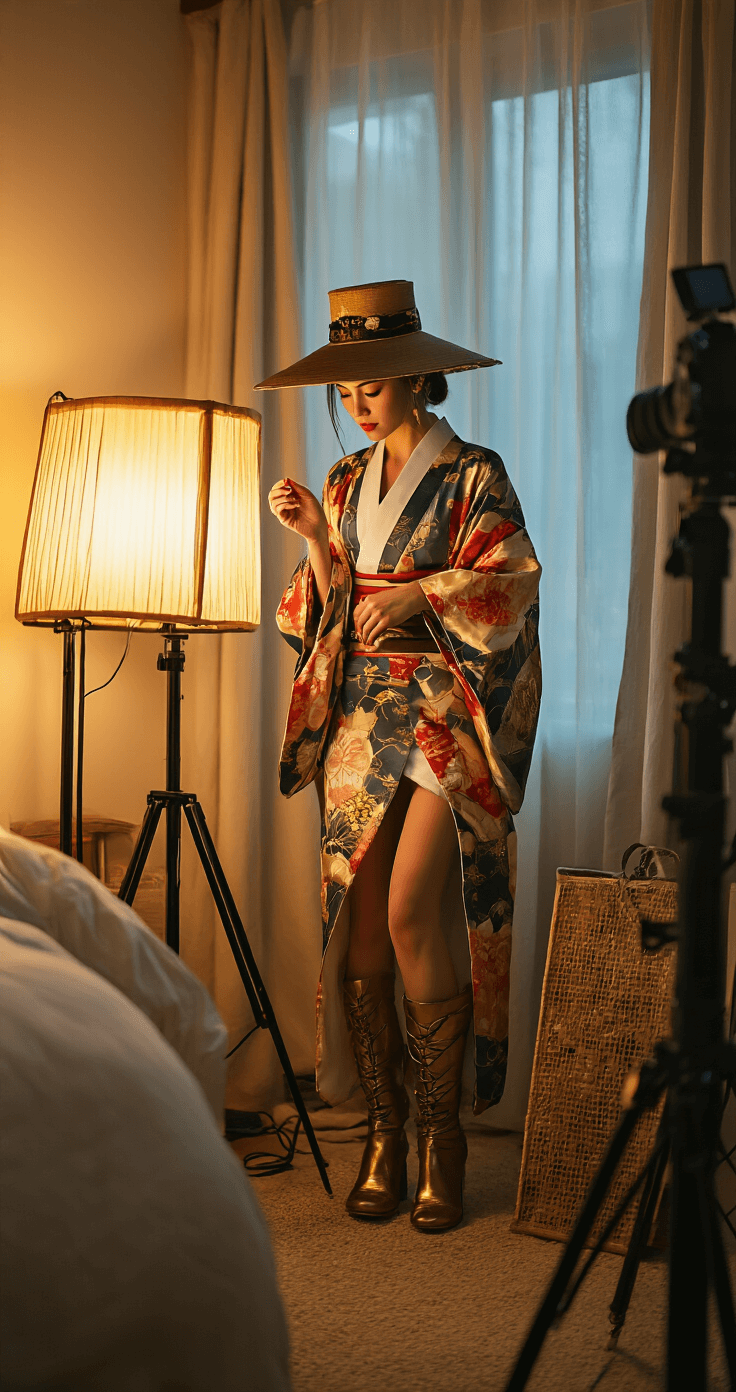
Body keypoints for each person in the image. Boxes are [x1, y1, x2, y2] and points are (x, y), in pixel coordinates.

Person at [260, 279, 541, 1232]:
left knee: (418, 903)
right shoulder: (341, 486)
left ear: (418, 375)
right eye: (347, 385)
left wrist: (423, 596)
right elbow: (324, 611)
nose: (359, 398)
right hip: (357, 715)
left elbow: (511, 578)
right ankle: (386, 1131)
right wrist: (315, 543)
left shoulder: (473, 474)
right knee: (363, 924)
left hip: (440, 714)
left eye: (375, 380)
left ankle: (444, 1137)